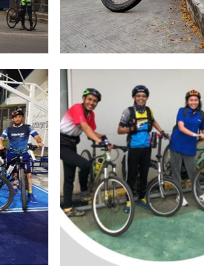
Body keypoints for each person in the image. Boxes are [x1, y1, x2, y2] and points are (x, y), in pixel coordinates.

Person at [60, 88, 113, 217]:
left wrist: (103, 138)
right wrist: (99, 141)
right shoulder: (77, 107)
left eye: (95, 101)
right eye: (89, 99)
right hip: (60, 142)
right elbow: (84, 127)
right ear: (83, 99)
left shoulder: (91, 115)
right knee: (85, 165)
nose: (92, 102)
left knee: (69, 177)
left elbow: (91, 131)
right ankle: (84, 191)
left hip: (71, 144)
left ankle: (67, 208)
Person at [117, 85, 164, 209]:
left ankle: (141, 198)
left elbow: (153, 121)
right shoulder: (128, 111)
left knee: (144, 174)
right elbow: (120, 130)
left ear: (147, 98)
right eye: (138, 96)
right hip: (133, 148)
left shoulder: (149, 110)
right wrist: (131, 128)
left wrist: (161, 131)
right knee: (131, 175)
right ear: (134, 97)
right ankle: (129, 200)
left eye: (143, 96)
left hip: (146, 148)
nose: (141, 98)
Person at [170, 90, 204, 206]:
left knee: (193, 172)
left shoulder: (201, 114)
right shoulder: (182, 111)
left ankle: (199, 194)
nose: (193, 102)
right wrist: (196, 135)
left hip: (190, 146)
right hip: (176, 144)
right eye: (191, 100)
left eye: (196, 100)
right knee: (176, 171)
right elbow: (181, 128)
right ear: (187, 101)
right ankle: (179, 195)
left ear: (199, 101)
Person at [0, 108, 44, 204]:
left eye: (19, 116)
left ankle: (30, 194)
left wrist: (39, 142)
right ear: (12, 119)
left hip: (23, 153)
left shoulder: (28, 127)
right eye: (15, 117)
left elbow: (36, 136)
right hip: (11, 153)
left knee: (29, 174)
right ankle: (15, 187)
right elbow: (1, 138)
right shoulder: (8, 129)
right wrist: (0, 145)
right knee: (14, 172)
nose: (17, 118)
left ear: (22, 118)